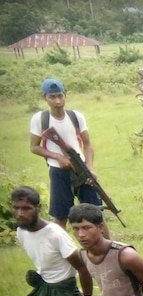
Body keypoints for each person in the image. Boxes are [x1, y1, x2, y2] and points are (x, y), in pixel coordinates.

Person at [6, 186, 94, 296]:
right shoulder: (21, 231)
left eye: (26, 208)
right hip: (45, 287)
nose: (20, 213)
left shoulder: (55, 234)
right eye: (16, 208)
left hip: (65, 292)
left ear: (38, 208)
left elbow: (82, 267)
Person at [29, 78, 101, 231]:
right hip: (58, 172)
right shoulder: (41, 119)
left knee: (95, 213)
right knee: (60, 216)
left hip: (81, 168)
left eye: (60, 96)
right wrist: (57, 157)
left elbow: (87, 145)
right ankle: (58, 252)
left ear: (65, 94)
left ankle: (108, 250)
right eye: (52, 97)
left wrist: (90, 169)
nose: (57, 101)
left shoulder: (76, 116)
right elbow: (34, 147)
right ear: (45, 98)